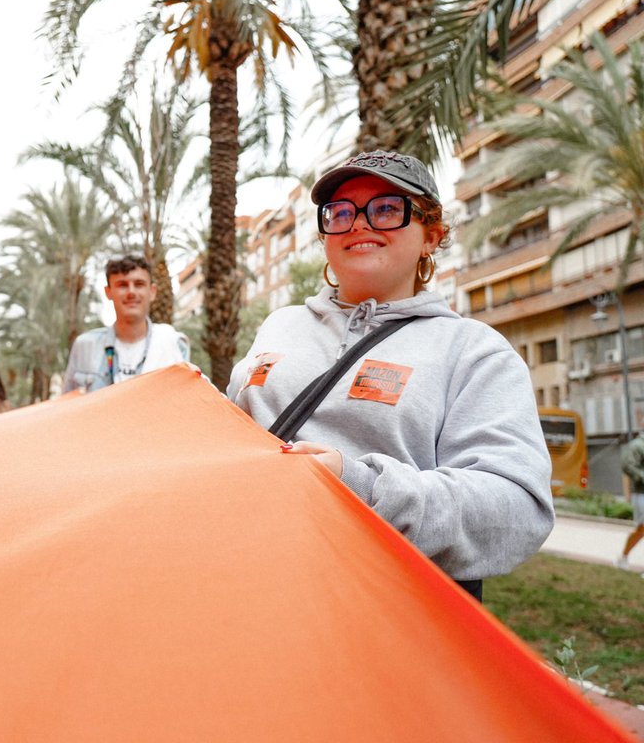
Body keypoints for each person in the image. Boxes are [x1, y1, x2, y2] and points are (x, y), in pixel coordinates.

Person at [226, 150, 553, 600]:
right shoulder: (277, 324)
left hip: (383, 615)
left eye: (385, 209)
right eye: (340, 212)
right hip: (249, 586)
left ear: (431, 236)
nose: (359, 223)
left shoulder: (474, 352)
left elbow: (517, 511)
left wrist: (358, 487)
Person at [63, 255, 190, 393]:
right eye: (122, 285)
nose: (131, 292)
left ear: (152, 291)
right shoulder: (85, 346)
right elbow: (67, 406)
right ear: (108, 292)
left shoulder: (173, 343)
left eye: (139, 284)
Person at [617, 431, 644, 571]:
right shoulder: (637, 445)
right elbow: (628, 466)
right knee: (641, 530)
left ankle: (623, 557)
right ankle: (623, 556)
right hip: (641, 494)